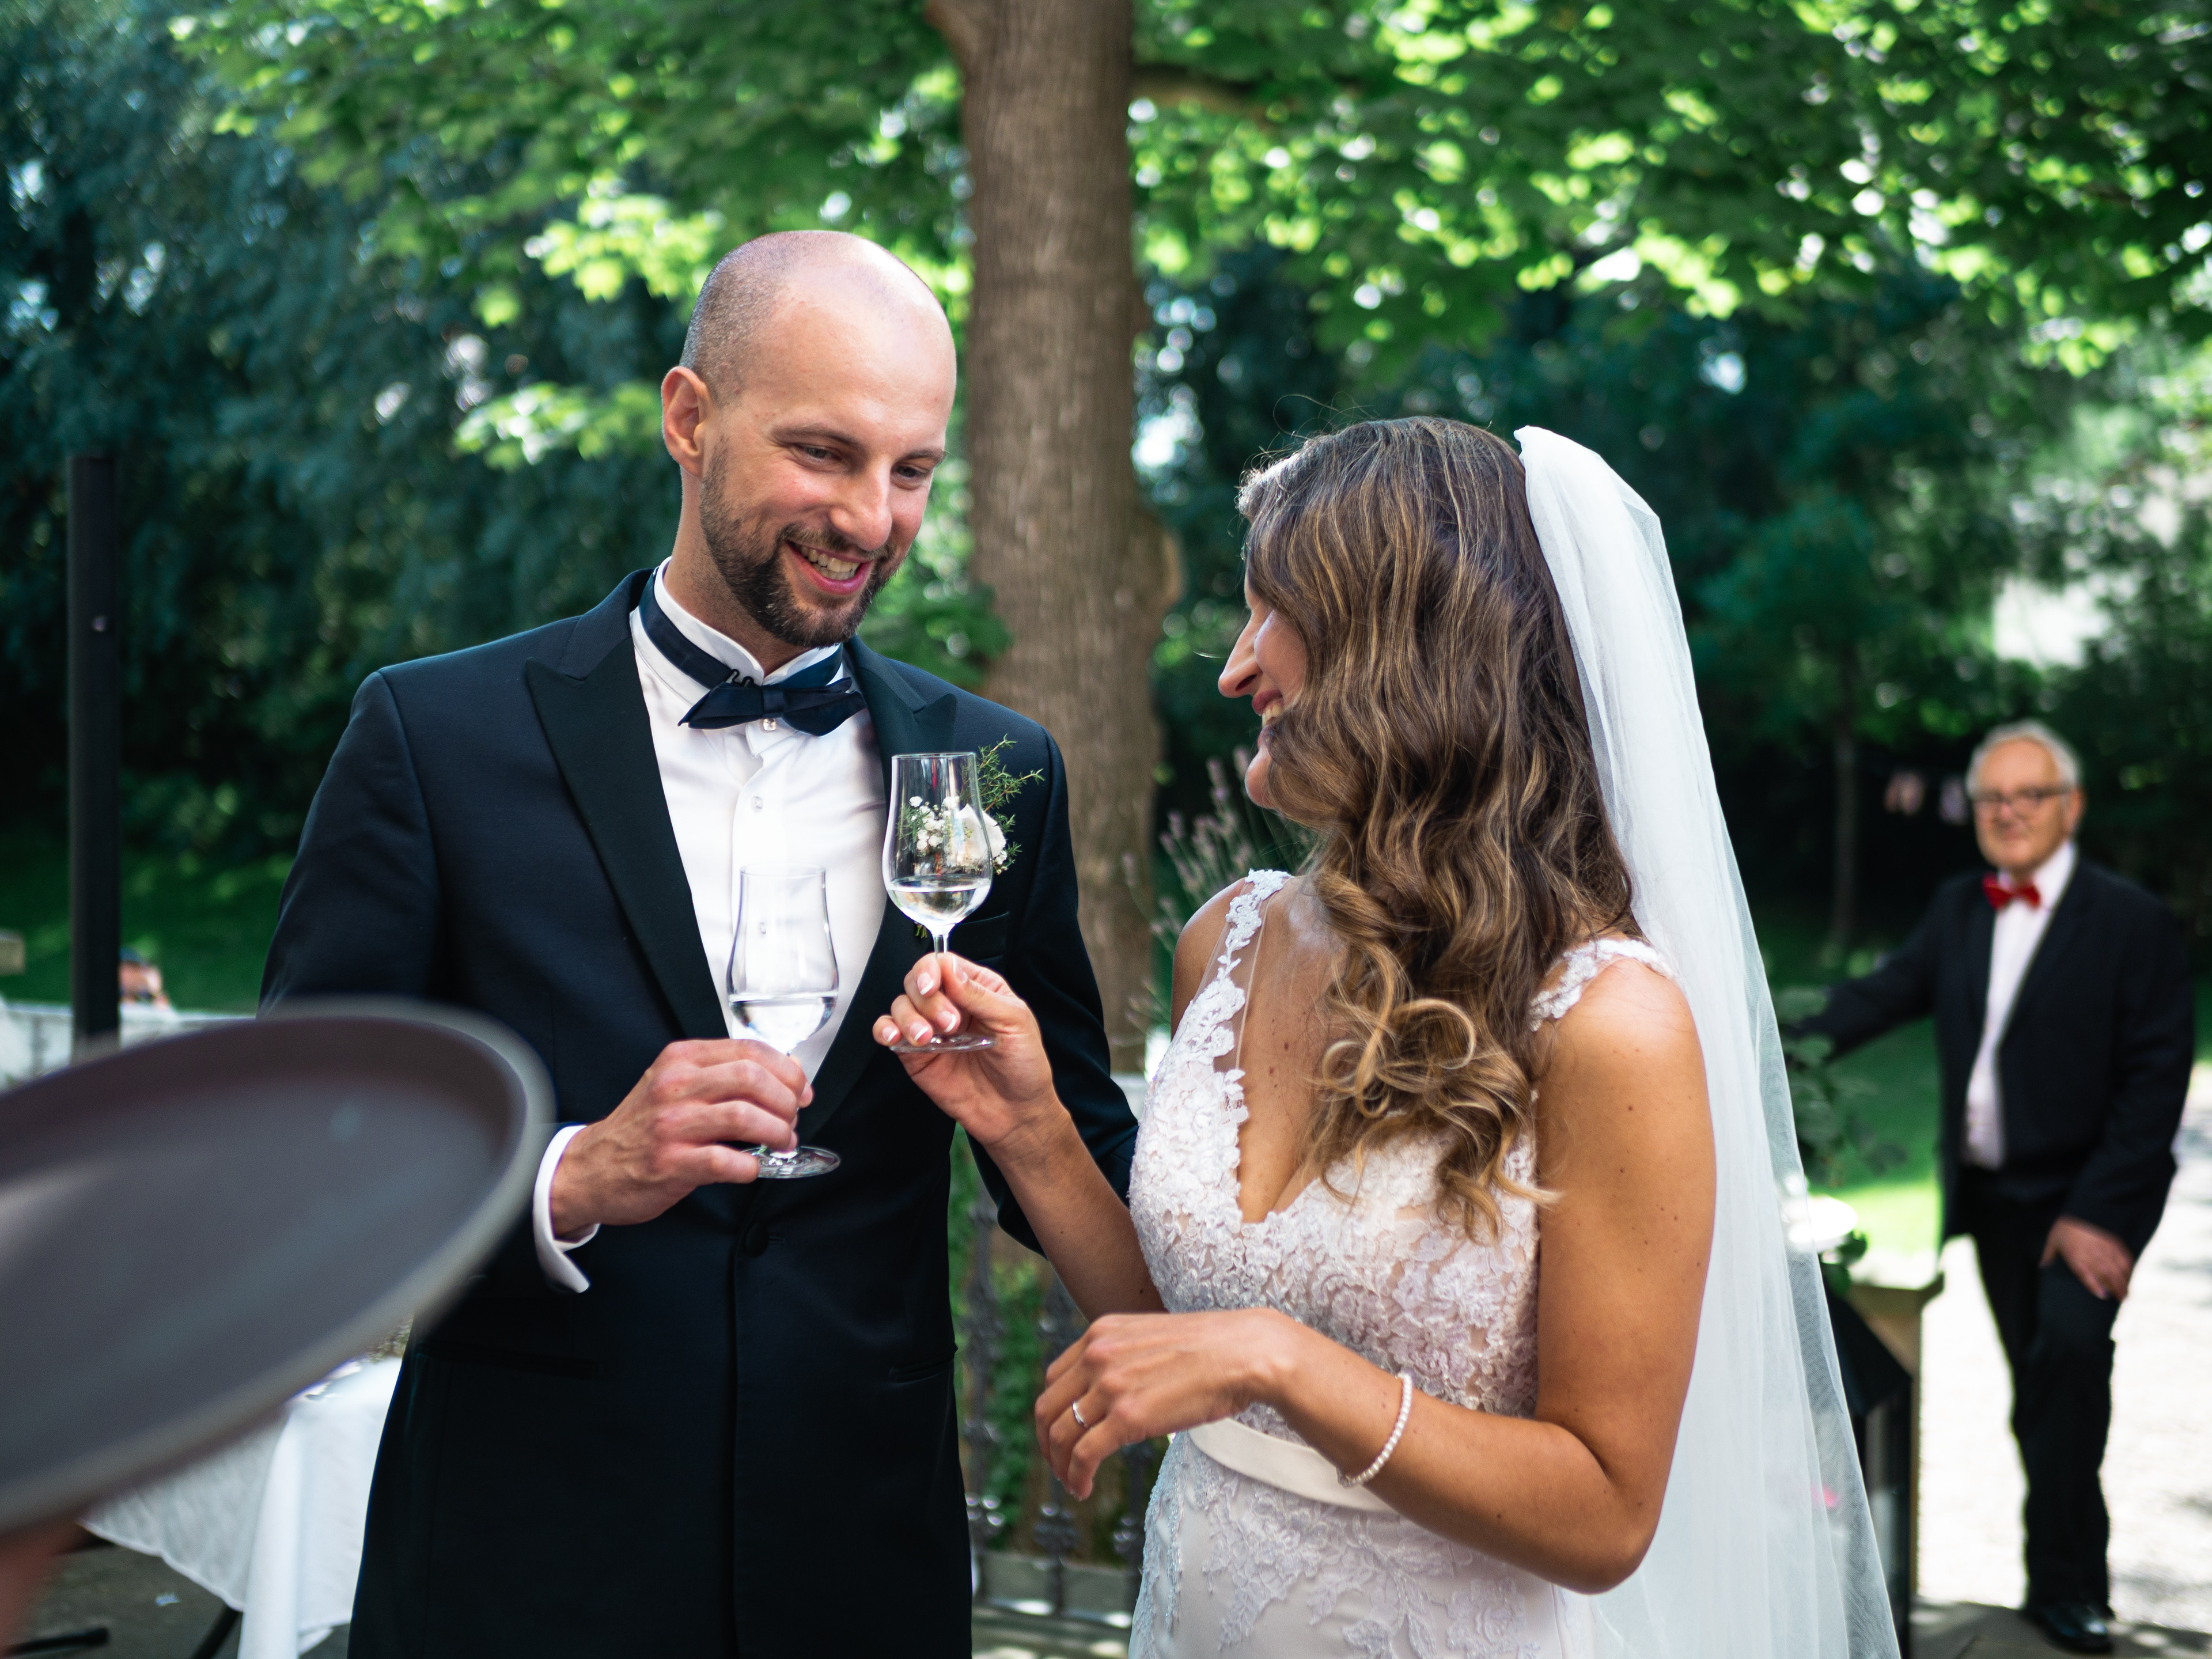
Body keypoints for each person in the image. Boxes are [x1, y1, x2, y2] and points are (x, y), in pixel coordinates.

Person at [876, 419, 1896, 1658]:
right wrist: (1030, 1127)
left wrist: (1284, 1363)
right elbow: (1183, 1331)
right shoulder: (1228, 941)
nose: (1234, 669)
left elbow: (1606, 1512)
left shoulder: (1607, 1023)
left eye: (1273, 614)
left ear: (1401, 648)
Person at [262, 230, 1138, 1658]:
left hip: (860, 1579)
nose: (871, 519)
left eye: (912, 470)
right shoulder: (434, 738)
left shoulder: (997, 772)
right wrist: (573, 1177)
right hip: (520, 1575)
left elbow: (1083, 1175)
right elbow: (298, 1157)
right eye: (824, 453)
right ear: (689, 418)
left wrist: (1035, 1128)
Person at [1797, 720, 2194, 1655]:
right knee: (2037, 1389)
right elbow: (1878, 998)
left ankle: (2070, 1590)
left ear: (2072, 807)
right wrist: (1767, 1039)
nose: (2008, 812)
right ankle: (2053, 1580)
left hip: (2083, 1201)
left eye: (2029, 795)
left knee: (2067, 1363)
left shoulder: (2131, 922)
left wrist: (2096, 1217)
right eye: (1991, 798)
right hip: (1992, 1200)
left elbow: (2155, 1086)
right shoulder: (1959, 908)